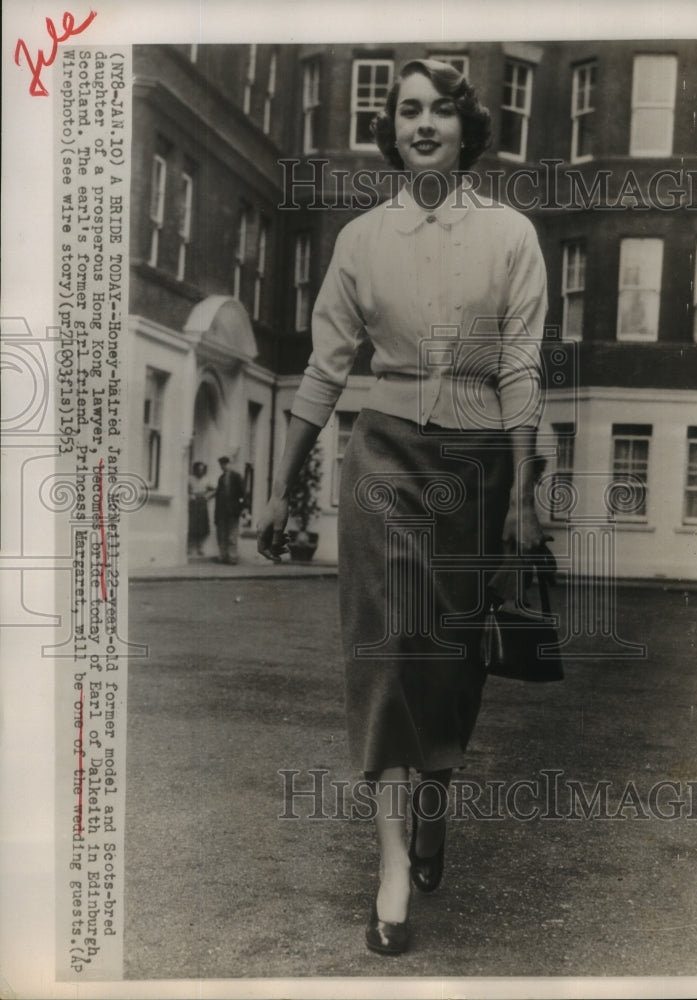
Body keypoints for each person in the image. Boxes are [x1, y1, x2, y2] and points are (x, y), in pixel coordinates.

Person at [257, 59, 548, 954]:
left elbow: (520, 368)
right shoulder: (360, 239)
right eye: (408, 110)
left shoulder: (510, 235)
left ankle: (435, 799)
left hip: (477, 467)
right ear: (391, 131)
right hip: (381, 457)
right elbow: (324, 370)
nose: (424, 124)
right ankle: (390, 869)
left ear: (466, 129)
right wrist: (280, 485)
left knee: (451, 663)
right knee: (384, 658)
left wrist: (522, 490)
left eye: (441, 111)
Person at [214, 455, 245, 564]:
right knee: (222, 534)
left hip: (233, 511)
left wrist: (243, 508)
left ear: (229, 464)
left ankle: (232, 557)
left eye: (224, 464)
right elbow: (218, 496)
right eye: (221, 465)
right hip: (222, 511)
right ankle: (223, 556)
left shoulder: (236, 476)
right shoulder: (221, 478)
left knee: (232, 535)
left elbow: (243, 493)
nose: (223, 467)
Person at [187, 460, 215, 556]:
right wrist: (190, 495)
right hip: (193, 503)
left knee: (202, 526)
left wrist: (207, 497)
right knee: (192, 525)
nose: (200, 471)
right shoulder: (190, 479)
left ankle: (200, 547)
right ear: (195, 469)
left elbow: (214, 490)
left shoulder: (206, 480)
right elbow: (185, 489)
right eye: (199, 469)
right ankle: (190, 547)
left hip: (202, 503)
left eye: (202, 469)